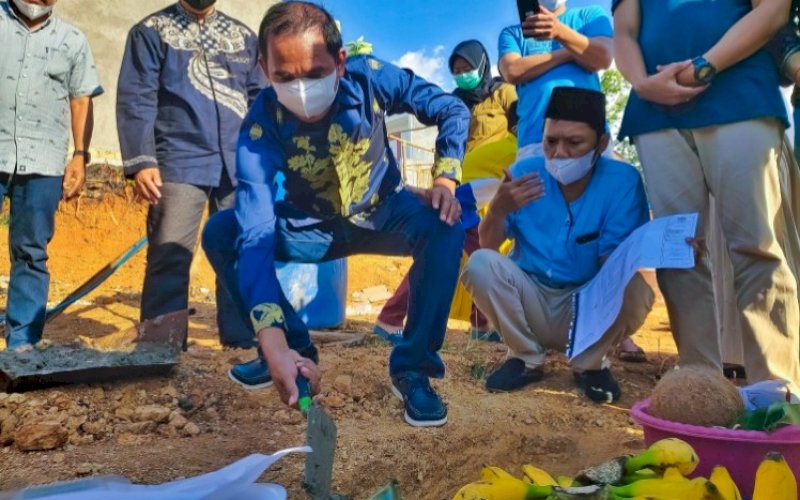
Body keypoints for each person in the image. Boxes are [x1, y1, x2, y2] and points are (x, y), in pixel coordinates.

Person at [201, 2, 469, 427]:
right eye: (285, 77)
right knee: (221, 231)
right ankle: (294, 350)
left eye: (314, 73)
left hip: (387, 214)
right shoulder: (259, 127)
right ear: (264, 69)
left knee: (447, 222)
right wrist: (271, 341)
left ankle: (413, 368)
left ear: (340, 62)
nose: (302, 90)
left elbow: (451, 109)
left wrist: (445, 181)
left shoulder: (371, 79)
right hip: (311, 228)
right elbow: (254, 233)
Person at [614, 0, 800, 392]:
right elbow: (624, 31)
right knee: (678, 253)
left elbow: (773, 10)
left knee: (757, 245)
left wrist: (704, 65)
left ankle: (778, 392)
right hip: (655, 113)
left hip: (740, 95)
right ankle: (702, 386)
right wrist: (642, 83)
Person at [461, 87, 654, 402]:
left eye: (574, 143)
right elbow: (488, 244)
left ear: (601, 144)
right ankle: (525, 356)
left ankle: (589, 362)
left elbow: (612, 269)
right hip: (529, 298)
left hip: (585, 304)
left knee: (637, 288)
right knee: (480, 263)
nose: (560, 153)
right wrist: (498, 209)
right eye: (551, 141)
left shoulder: (622, 182)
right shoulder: (525, 174)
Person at [117, 0, 265, 348]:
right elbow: (137, 97)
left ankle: (241, 339)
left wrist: (262, 156)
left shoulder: (243, 37)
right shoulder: (151, 31)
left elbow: (259, 97)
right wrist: (142, 160)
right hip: (179, 158)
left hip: (238, 162)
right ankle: (160, 345)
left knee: (242, 247)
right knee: (170, 250)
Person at [375, 39, 518, 344]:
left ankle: (479, 323)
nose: (463, 74)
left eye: (467, 68)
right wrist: (441, 185)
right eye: (457, 70)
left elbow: (520, 133)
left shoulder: (504, 93)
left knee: (472, 249)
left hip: (489, 186)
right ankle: (391, 318)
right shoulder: (454, 103)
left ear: (481, 64)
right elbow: (447, 147)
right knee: (452, 247)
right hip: (461, 188)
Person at [0, 0, 102, 350]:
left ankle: (22, 344)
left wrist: (79, 156)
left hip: (43, 161)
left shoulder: (72, 39)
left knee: (31, 251)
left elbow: (80, 100)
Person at [498, 0, 613, 160]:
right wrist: (572, 52)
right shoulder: (512, 33)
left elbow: (602, 58)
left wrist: (560, 32)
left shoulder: (590, 15)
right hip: (534, 142)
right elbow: (512, 70)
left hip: (590, 139)